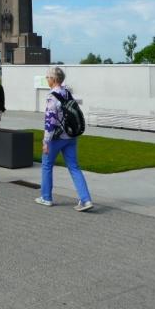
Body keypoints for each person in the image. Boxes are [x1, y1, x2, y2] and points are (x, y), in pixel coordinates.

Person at [36, 66, 94, 212]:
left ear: (54, 79)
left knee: (47, 165)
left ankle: (46, 197)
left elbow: (50, 121)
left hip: (56, 138)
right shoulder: (67, 93)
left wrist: (46, 142)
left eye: (48, 77)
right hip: (71, 136)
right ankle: (86, 199)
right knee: (74, 167)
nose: (47, 80)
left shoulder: (52, 97)